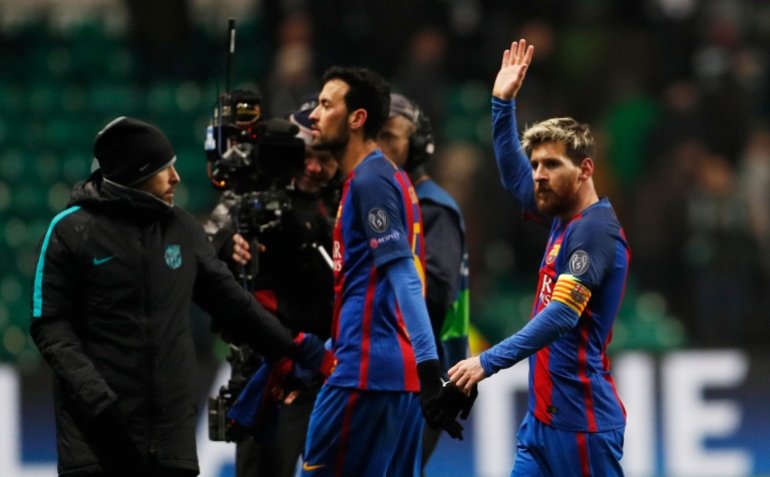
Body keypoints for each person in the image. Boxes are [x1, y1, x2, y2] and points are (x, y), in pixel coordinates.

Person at [29, 116, 328, 477]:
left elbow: (234, 304)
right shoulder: (70, 230)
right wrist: (94, 396)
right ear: (135, 173)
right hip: (97, 442)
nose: (176, 178)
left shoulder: (182, 228)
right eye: (163, 169)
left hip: (171, 444)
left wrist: (295, 347)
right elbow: (50, 325)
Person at [449, 39, 629, 476]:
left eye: (551, 165)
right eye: (536, 165)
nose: (538, 176)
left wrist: (486, 361)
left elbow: (562, 315)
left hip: (582, 425)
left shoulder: (594, 232)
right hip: (543, 422)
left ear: (585, 169)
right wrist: (501, 103)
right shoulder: (564, 216)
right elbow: (514, 176)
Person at [300, 66, 468, 476]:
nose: (313, 117)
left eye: (326, 105)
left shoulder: (370, 181)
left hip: (363, 374)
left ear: (356, 119)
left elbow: (407, 278)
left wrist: (432, 372)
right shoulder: (395, 179)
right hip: (396, 375)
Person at [204, 96, 339, 477]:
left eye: (325, 158)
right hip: (268, 368)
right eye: (306, 155)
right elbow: (203, 244)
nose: (314, 168)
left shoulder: (347, 198)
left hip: (333, 366)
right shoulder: (251, 196)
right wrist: (230, 242)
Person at [377, 93, 470, 473]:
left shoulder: (434, 209)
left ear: (416, 146)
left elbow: (436, 293)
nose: (378, 147)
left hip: (423, 378)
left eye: (389, 136)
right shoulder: (390, 202)